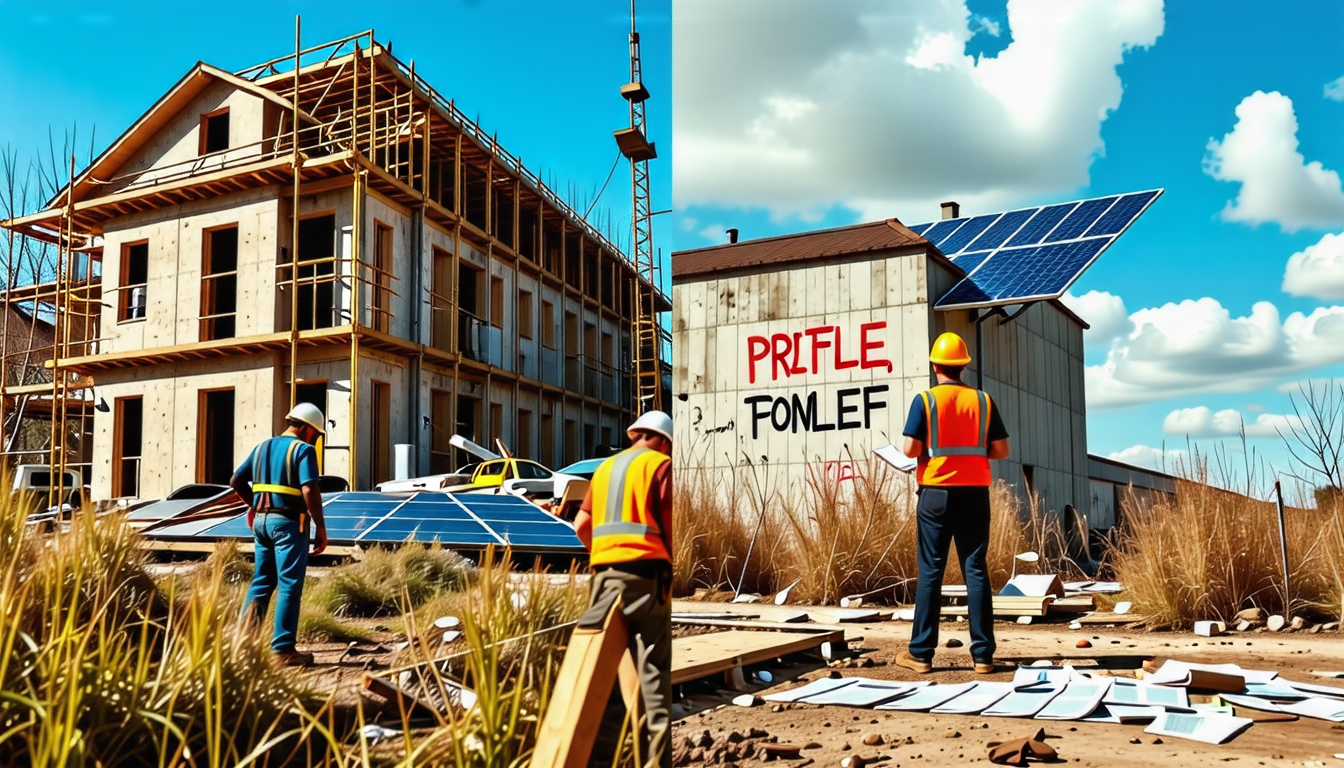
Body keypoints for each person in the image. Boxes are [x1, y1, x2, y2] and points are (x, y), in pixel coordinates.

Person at [896, 332, 1010, 675]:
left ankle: (921, 654)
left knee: (932, 570)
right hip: (975, 493)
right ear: (963, 366)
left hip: (936, 494)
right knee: (975, 568)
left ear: (935, 365)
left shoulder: (925, 401)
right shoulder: (984, 401)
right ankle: (983, 656)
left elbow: (910, 450)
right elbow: (1002, 450)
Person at [573, 410, 674, 768]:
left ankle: (600, 759)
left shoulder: (604, 470)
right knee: (653, 677)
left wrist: (604, 556)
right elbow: (668, 521)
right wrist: (668, 568)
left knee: (604, 678)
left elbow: (581, 524)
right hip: (647, 576)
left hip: (602, 579)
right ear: (663, 441)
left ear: (635, 434)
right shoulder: (659, 466)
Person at [231, 402, 329, 667]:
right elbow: (309, 489)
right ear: (308, 430)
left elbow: (236, 480)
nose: (316, 440)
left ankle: (243, 646)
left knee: (262, 582)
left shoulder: (262, 447)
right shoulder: (303, 449)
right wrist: (320, 526)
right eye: (317, 435)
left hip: (261, 522)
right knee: (289, 584)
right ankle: (283, 651)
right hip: (288, 523)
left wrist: (255, 504)